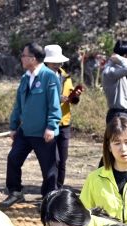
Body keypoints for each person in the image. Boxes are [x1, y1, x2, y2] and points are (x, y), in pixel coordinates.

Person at [0, 42, 62, 209]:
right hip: (25, 131)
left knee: (48, 168)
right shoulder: (25, 77)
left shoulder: (49, 77)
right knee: (13, 158)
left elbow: (54, 104)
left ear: (33, 59)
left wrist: (51, 126)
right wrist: (13, 126)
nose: (21, 58)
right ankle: (15, 192)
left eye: (24, 55)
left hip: (43, 132)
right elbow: (18, 104)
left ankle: (49, 198)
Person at [43, 44, 80, 188]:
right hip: (49, 124)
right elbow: (40, 99)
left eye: (59, 61)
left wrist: (74, 97)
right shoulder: (41, 76)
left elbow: (72, 100)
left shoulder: (66, 77)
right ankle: (51, 188)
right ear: (46, 62)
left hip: (64, 122)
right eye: (54, 61)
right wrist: (58, 98)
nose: (57, 64)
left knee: (63, 160)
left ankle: (59, 188)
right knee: (54, 160)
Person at [102, 40, 127, 124]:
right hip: (120, 116)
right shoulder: (111, 71)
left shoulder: (117, 70)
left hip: (122, 114)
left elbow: (123, 88)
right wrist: (119, 58)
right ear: (125, 56)